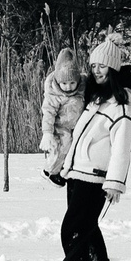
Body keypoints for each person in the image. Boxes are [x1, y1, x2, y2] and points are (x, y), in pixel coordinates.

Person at [54, 35, 131, 261]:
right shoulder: (96, 99)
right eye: (93, 66)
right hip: (78, 174)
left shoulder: (122, 105)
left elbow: (122, 148)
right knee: (88, 228)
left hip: (96, 178)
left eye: (102, 66)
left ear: (113, 68)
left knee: (71, 229)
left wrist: (115, 183)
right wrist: (62, 167)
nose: (96, 71)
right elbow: (79, 137)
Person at [36, 45, 85, 184]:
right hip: (60, 127)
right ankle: (50, 171)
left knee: (72, 148)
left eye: (72, 82)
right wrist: (47, 133)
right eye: (64, 83)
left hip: (75, 126)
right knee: (62, 146)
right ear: (58, 81)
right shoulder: (54, 95)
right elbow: (48, 113)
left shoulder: (82, 87)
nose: (68, 87)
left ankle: (63, 169)